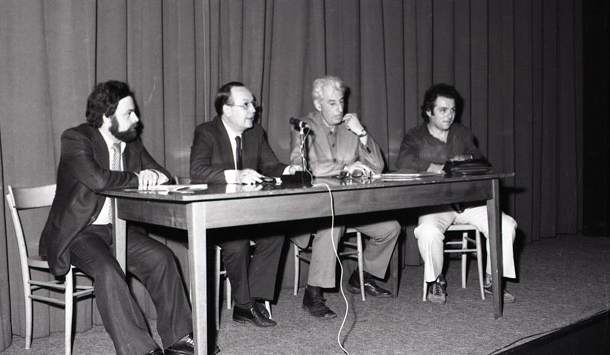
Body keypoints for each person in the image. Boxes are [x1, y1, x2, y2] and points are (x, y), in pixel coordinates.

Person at [39, 80, 217, 355]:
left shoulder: (132, 143)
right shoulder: (76, 138)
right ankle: (143, 349)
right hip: (80, 232)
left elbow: (164, 175)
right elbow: (97, 180)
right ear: (106, 116)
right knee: (108, 270)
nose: (137, 119)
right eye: (129, 113)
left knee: (162, 258)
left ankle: (178, 336)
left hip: (119, 230)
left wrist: (153, 176)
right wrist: (138, 177)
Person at [189, 81, 300, 327]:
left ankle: (252, 301)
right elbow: (197, 171)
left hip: (248, 214)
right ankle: (244, 303)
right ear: (226, 109)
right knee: (236, 243)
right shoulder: (206, 132)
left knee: (275, 234)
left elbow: (271, 165)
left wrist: (289, 170)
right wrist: (235, 175)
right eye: (246, 105)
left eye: (253, 104)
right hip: (216, 216)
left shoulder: (256, 133)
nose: (253, 110)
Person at [289, 75, 401, 319]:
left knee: (390, 228)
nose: (340, 108)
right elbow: (302, 167)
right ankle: (313, 293)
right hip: (315, 210)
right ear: (318, 104)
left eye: (341, 102)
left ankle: (361, 276)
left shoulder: (351, 126)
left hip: (350, 206)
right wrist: (345, 168)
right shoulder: (304, 126)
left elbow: (378, 167)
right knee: (334, 224)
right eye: (332, 103)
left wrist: (362, 133)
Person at [396, 83, 517, 304]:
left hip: (469, 203)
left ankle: (493, 278)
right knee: (428, 231)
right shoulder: (415, 136)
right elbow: (403, 162)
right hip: (436, 204)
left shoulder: (462, 133)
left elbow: (480, 160)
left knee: (506, 225)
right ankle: (436, 280)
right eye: (443, 110)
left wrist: (466, 160)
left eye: (452, 110)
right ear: (428, 112)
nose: (449, 115)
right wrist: (434, 167)